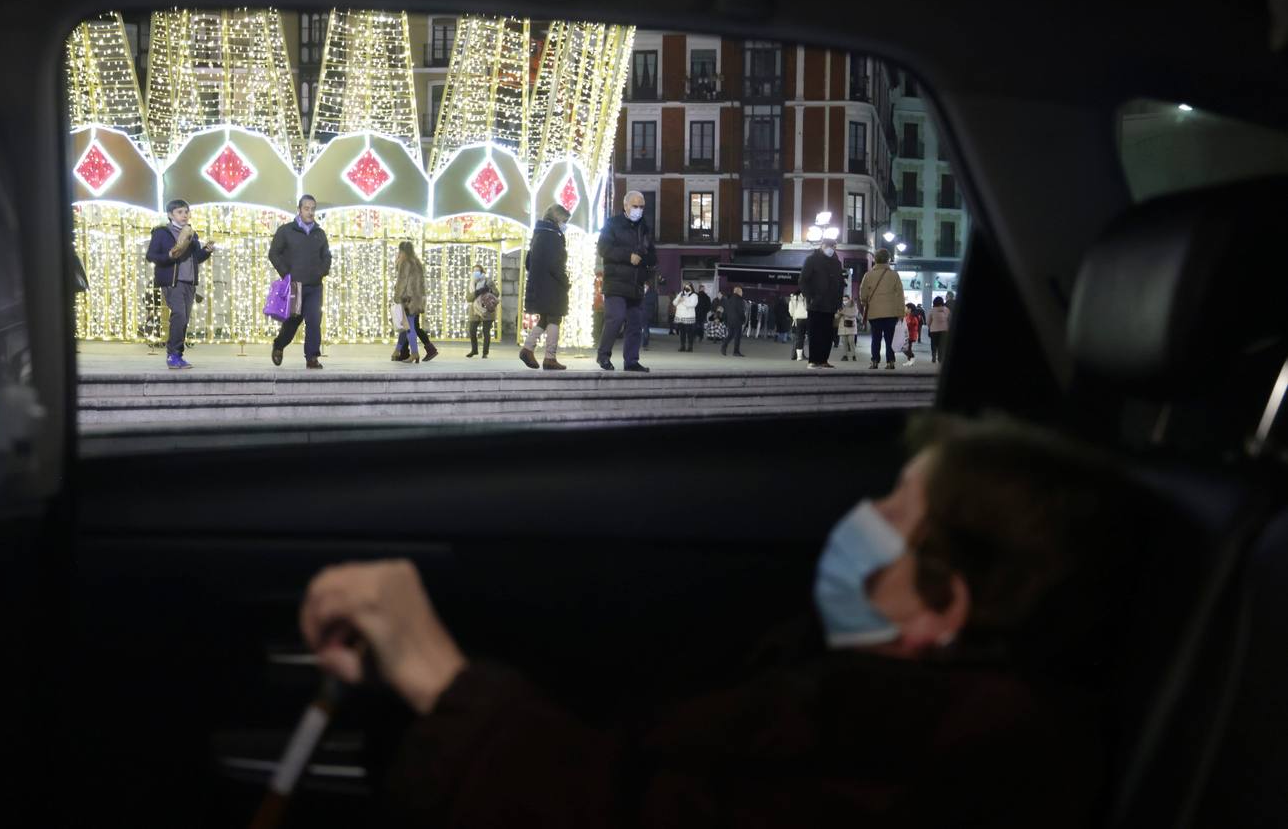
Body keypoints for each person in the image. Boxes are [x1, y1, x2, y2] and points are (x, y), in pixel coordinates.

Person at [299, 414, 1161, 828]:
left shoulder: (957, 769)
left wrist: (440, 678)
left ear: (944, 606)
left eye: (896, 512)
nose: (861, 512)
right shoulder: (853, 695)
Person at [145, 198, 215, 370]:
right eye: (179, 212)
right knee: (179, 315)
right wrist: (169, 255)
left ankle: (178, 355)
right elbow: (151, 255)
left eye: (186, 212)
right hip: (172, 281)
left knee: (183, 320)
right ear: (170, 215)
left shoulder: (192, 233)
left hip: (189, 282)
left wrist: (206, 251)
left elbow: (195, 258)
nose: (184, 215)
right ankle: (173, 354)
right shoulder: (162, 232)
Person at [596, 191, 657, 372]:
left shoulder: (644, 228)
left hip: (636, 284)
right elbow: (604, 248)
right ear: (625, 206)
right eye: (635, 206)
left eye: (641, 207)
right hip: (616, 282)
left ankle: (631, 361)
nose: (638, 210)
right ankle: (603, 355)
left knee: (635, 324)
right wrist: (627, 256)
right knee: (615, 318)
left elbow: (653, 256)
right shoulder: (612, 224)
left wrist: (643, 261)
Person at [269, 194, 331, 370]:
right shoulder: (286, 231)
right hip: (295, 285)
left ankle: (312, 357)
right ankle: (279, 345)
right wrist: (286, 274)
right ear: (299, 209)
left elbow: (326, 256)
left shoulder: (319, 234)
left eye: (313, 209)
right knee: (292, 321)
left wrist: (322, 270)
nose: (310, 212)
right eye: (306, 208)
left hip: (314, 286)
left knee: (313, 320)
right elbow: (274, 253)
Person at [519, 204, 571, 371]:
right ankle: (550, 357)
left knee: (545, 318)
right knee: (555, 318)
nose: (565, 224)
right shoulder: (553, 237)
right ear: (557, 219)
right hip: (552, 286)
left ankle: (528, 348)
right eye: (564, 220)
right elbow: (556, 265)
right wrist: (565, 281)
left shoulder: (538, 234)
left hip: (538, 285)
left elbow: (528, 263)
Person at [799, 237, 847, 370]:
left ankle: (824, 360)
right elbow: (803, 280)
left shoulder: (836, 263)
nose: (831, 249)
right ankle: (813, 360)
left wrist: (838, 302)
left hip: (831, 305)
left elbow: (840, 283)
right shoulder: (812, 260)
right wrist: (810, 297)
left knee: (828, 334)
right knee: (815, 333)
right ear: (822, 245)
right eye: (829, 246)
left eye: (834, 246)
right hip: (816, 304)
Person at [860, 248, 907, 371]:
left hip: (874, 313)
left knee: (875, 338)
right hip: (891, 313)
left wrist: (865, 302)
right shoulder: (894, 275)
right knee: (889, 339)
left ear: (875, 259)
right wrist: (901, 313)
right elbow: (900, 295)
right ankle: (890, 361)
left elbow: (863, 294)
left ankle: (874, 361)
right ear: (888, 259)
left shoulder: (868, 275)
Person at [391, 242, 426, 364]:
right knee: (406, 326)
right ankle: (397, 351)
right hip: (417, 299)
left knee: (409, 326)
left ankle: (415, 353)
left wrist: (397, 297)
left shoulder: (405, 263)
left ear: (402, 251)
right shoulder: (417, 263)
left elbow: (401, 282)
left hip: (408, 299)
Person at [466, 263, 499, 359]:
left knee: (486, 332)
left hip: (487, 309)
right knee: (472, 330)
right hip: (475, 310)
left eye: (478, 271)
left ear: (482, 272)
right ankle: (474, 350)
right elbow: (468, 298)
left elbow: (497, 294)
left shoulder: (488, 281)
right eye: (474, 271)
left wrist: (489, 290)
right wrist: (477, 292)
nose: (476, 273)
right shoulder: (471, 283)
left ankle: (485, 352)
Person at [721, 285, 747, 356]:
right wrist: (744, 319)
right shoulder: (740, 300)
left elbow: (725, 311)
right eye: (741, 291)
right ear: (739, 292)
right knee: (737, 337)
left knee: (730, 335)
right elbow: (741, 311)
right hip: (737, 321)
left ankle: (724, 346)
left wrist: (725, 320)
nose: (742, 293)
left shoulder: (729, 299)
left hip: (730, 321)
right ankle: (736, 352)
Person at [672, 283, 698, 351]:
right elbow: (674, 303)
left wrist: (683, 301)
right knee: (682, 332)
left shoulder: (694, 295)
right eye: (685, 287)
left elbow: (693, 304)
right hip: (680, 316)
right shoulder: (681, 293)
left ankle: (690, 347)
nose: (686, 288)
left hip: (688, 316)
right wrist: (678, 300)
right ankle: (682, 346)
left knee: (689, 332)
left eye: (688, 287)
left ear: (691, 287)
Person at [836, 294, 858, 362]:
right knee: (844, 342)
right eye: (843, 300)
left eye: (846, 299)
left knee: (851, 342)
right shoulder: (840, 306)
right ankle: (845, 356)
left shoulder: (853, 305)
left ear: (849, 299)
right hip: (842, 327)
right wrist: (839, 314)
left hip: (851, 326)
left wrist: (842, 312)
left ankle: (853, 355)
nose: (844, 301)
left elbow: (854, 313)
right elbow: (836, 316)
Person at [928, 295, 950, 364]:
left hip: (934, 330)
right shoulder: (946, 310)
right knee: (941, 345)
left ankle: (934, 356)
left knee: (933, 344)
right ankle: (940, 358)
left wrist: (929, 326)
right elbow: (949, 319)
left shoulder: (932, 310)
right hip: (944, 330)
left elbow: (928, 321)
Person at [789, 292, 809, 360]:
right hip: (808, 317)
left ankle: (798, 356)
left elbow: (791, 310)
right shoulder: (809, 294)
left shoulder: (793, 297)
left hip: (798, 318)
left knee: (799, 337)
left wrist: (794, 316)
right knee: (810, 337)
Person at [640, 280, 656, 350]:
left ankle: (645, 344)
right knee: (636, 329)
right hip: (638, 312)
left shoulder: (653, 293)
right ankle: (637, 343)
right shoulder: (639, 291)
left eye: (645, 285)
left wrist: (643, 297)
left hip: (647, 313)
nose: (644, 287)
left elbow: (652, 301)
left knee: (646, 329)